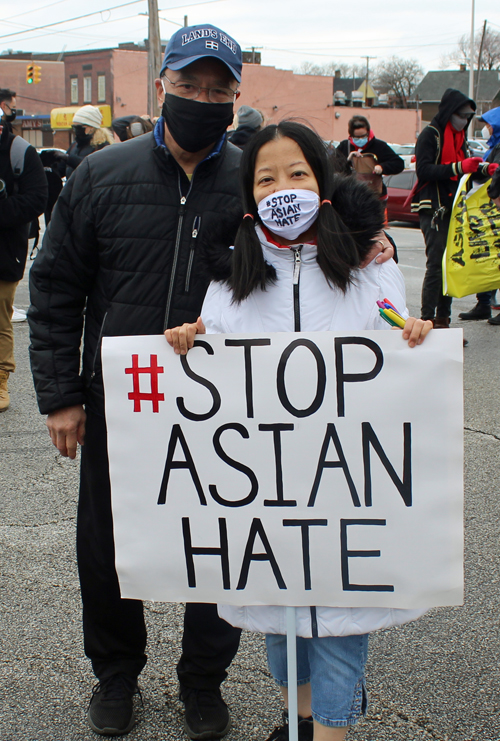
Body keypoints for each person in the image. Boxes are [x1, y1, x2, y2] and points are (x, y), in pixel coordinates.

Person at [28, 24, 395, 738]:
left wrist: (371, 244)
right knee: (110, 548)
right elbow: (55, 289)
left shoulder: (254, 178)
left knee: (227, 549)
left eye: (217, 88)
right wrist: (62, 395)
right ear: (162, 83)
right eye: (188, 85)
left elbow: (322, 237)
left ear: (234, 95)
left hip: (234, 409)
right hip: (125, 403)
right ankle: (116, 674)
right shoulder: (102, 175)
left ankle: (204, 682)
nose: (202, 98)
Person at [165, 121, 432, 741]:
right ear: (247, 194)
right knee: (281, 629)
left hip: (346, 488)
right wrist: (189, 339)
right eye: (266, 178)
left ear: (323, 182)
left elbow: (393, 336)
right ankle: (300, 718)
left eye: (297, 174)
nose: (282, 188)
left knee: (341, 624)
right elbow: (214, 347)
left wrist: (412, 335)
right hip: (268, 492)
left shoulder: (367, 266)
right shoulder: (233, 278)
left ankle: (331, 732)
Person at [411, 88, 495, 328]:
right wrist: (460, 167)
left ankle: (443, 321)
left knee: (450, 266)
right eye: (461, 115)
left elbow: (464, 167)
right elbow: (425, 170)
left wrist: (483, 169)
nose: (464, 120)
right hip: (433, 207)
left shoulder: (460, 138)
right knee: (436, 265)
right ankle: (426, 320)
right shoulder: (431, 135)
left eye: (468, 117)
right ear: (449, 112)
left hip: (454, 208)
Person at [0, 87, 47, 412]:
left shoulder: (19, 152)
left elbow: (36, 199)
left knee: (0, 320)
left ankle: (1, 382)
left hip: (4, 253)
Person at [457, 107, 500, 323]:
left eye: (489, 125)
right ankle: (483, 303)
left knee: (494, 257)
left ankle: (486, 303)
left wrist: (494, 194)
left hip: (493, 210)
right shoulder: (493, 147)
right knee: (486, 255)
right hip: (487, 212)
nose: (486, 129)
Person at [336, 115, 404, 211]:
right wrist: (347, 160)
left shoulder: (379, 146)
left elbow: (399, 164)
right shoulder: (344, 146)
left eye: (363, 136)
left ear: (368, 132)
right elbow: (332, 167)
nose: (360, 139)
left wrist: (382, 167)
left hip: (374, 196)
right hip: (350, 196)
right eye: (357, 137)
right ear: (351, 136)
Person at [53, 105, 113, 179]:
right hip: (72, 189)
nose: (75, 131)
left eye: (78, 127)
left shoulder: (102, 146)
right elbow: (61, 171)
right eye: (74, 127)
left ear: (91, 127)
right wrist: (52, 163)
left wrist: (68, 159)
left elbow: (92, 167)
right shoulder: (74, 146)